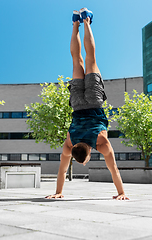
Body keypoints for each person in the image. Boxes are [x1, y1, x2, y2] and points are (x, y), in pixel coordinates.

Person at [46, 8, 129, 200]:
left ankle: (86, 21)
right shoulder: (69, 143)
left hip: (94, 101)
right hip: (76, 104)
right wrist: (58, 191)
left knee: (91, 59)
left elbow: (113, 168)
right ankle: (76, 22)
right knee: (77, 61)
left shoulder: (101, 143)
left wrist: (122, 193)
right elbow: (62, 172)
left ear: (89, 154)